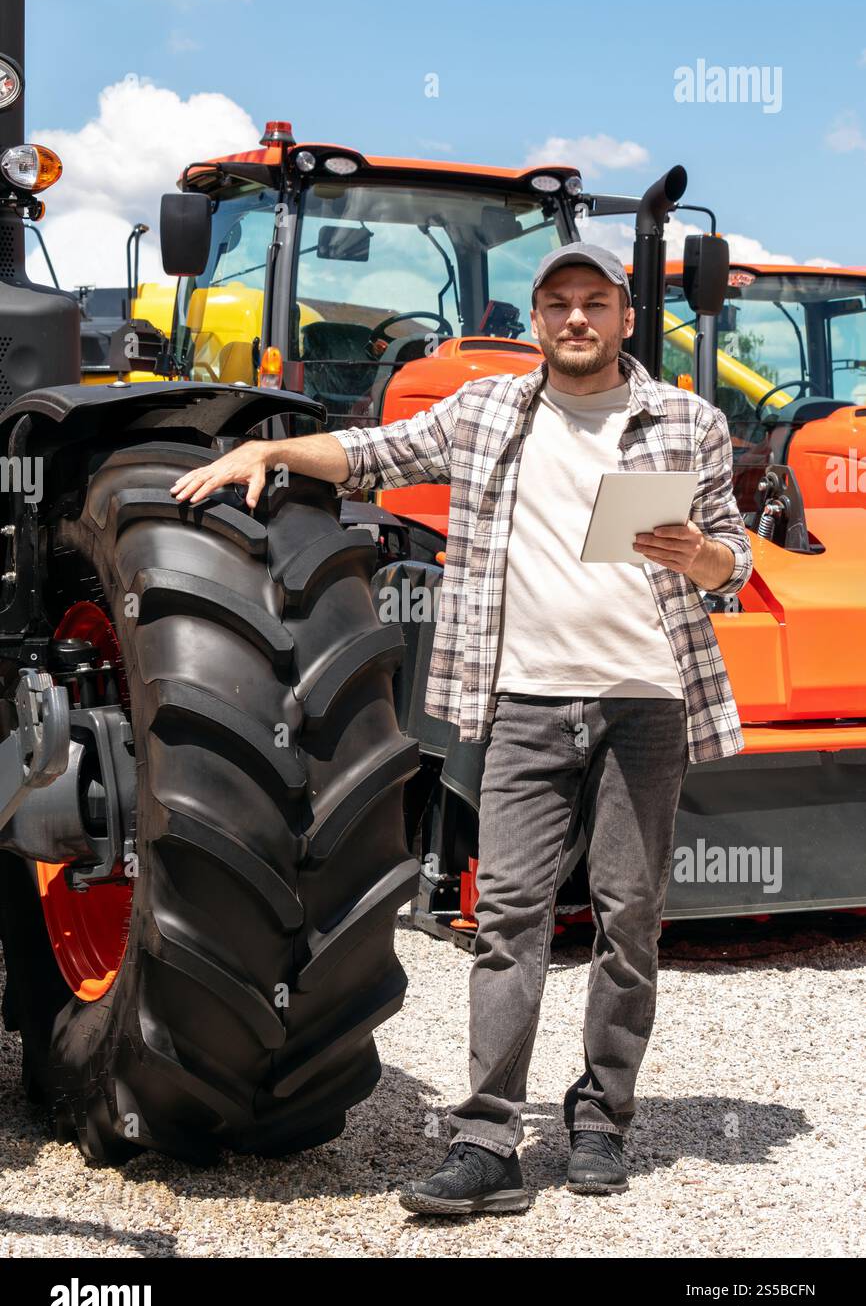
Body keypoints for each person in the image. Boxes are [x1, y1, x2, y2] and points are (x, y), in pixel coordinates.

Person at [172, 242, 753, 1216]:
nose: (574, 318)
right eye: (556, 303)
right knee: (507, 917)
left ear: (621, 318)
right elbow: (369, 454)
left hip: (643, 705)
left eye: (593, 303)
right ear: (536, 319)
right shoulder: (487, 413)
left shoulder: (684, 421)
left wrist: (698, 551)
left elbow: (732, 560)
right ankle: (489, 1139)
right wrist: (268, 450)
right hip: (524, 702)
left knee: (626, 921)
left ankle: (601, 1118)